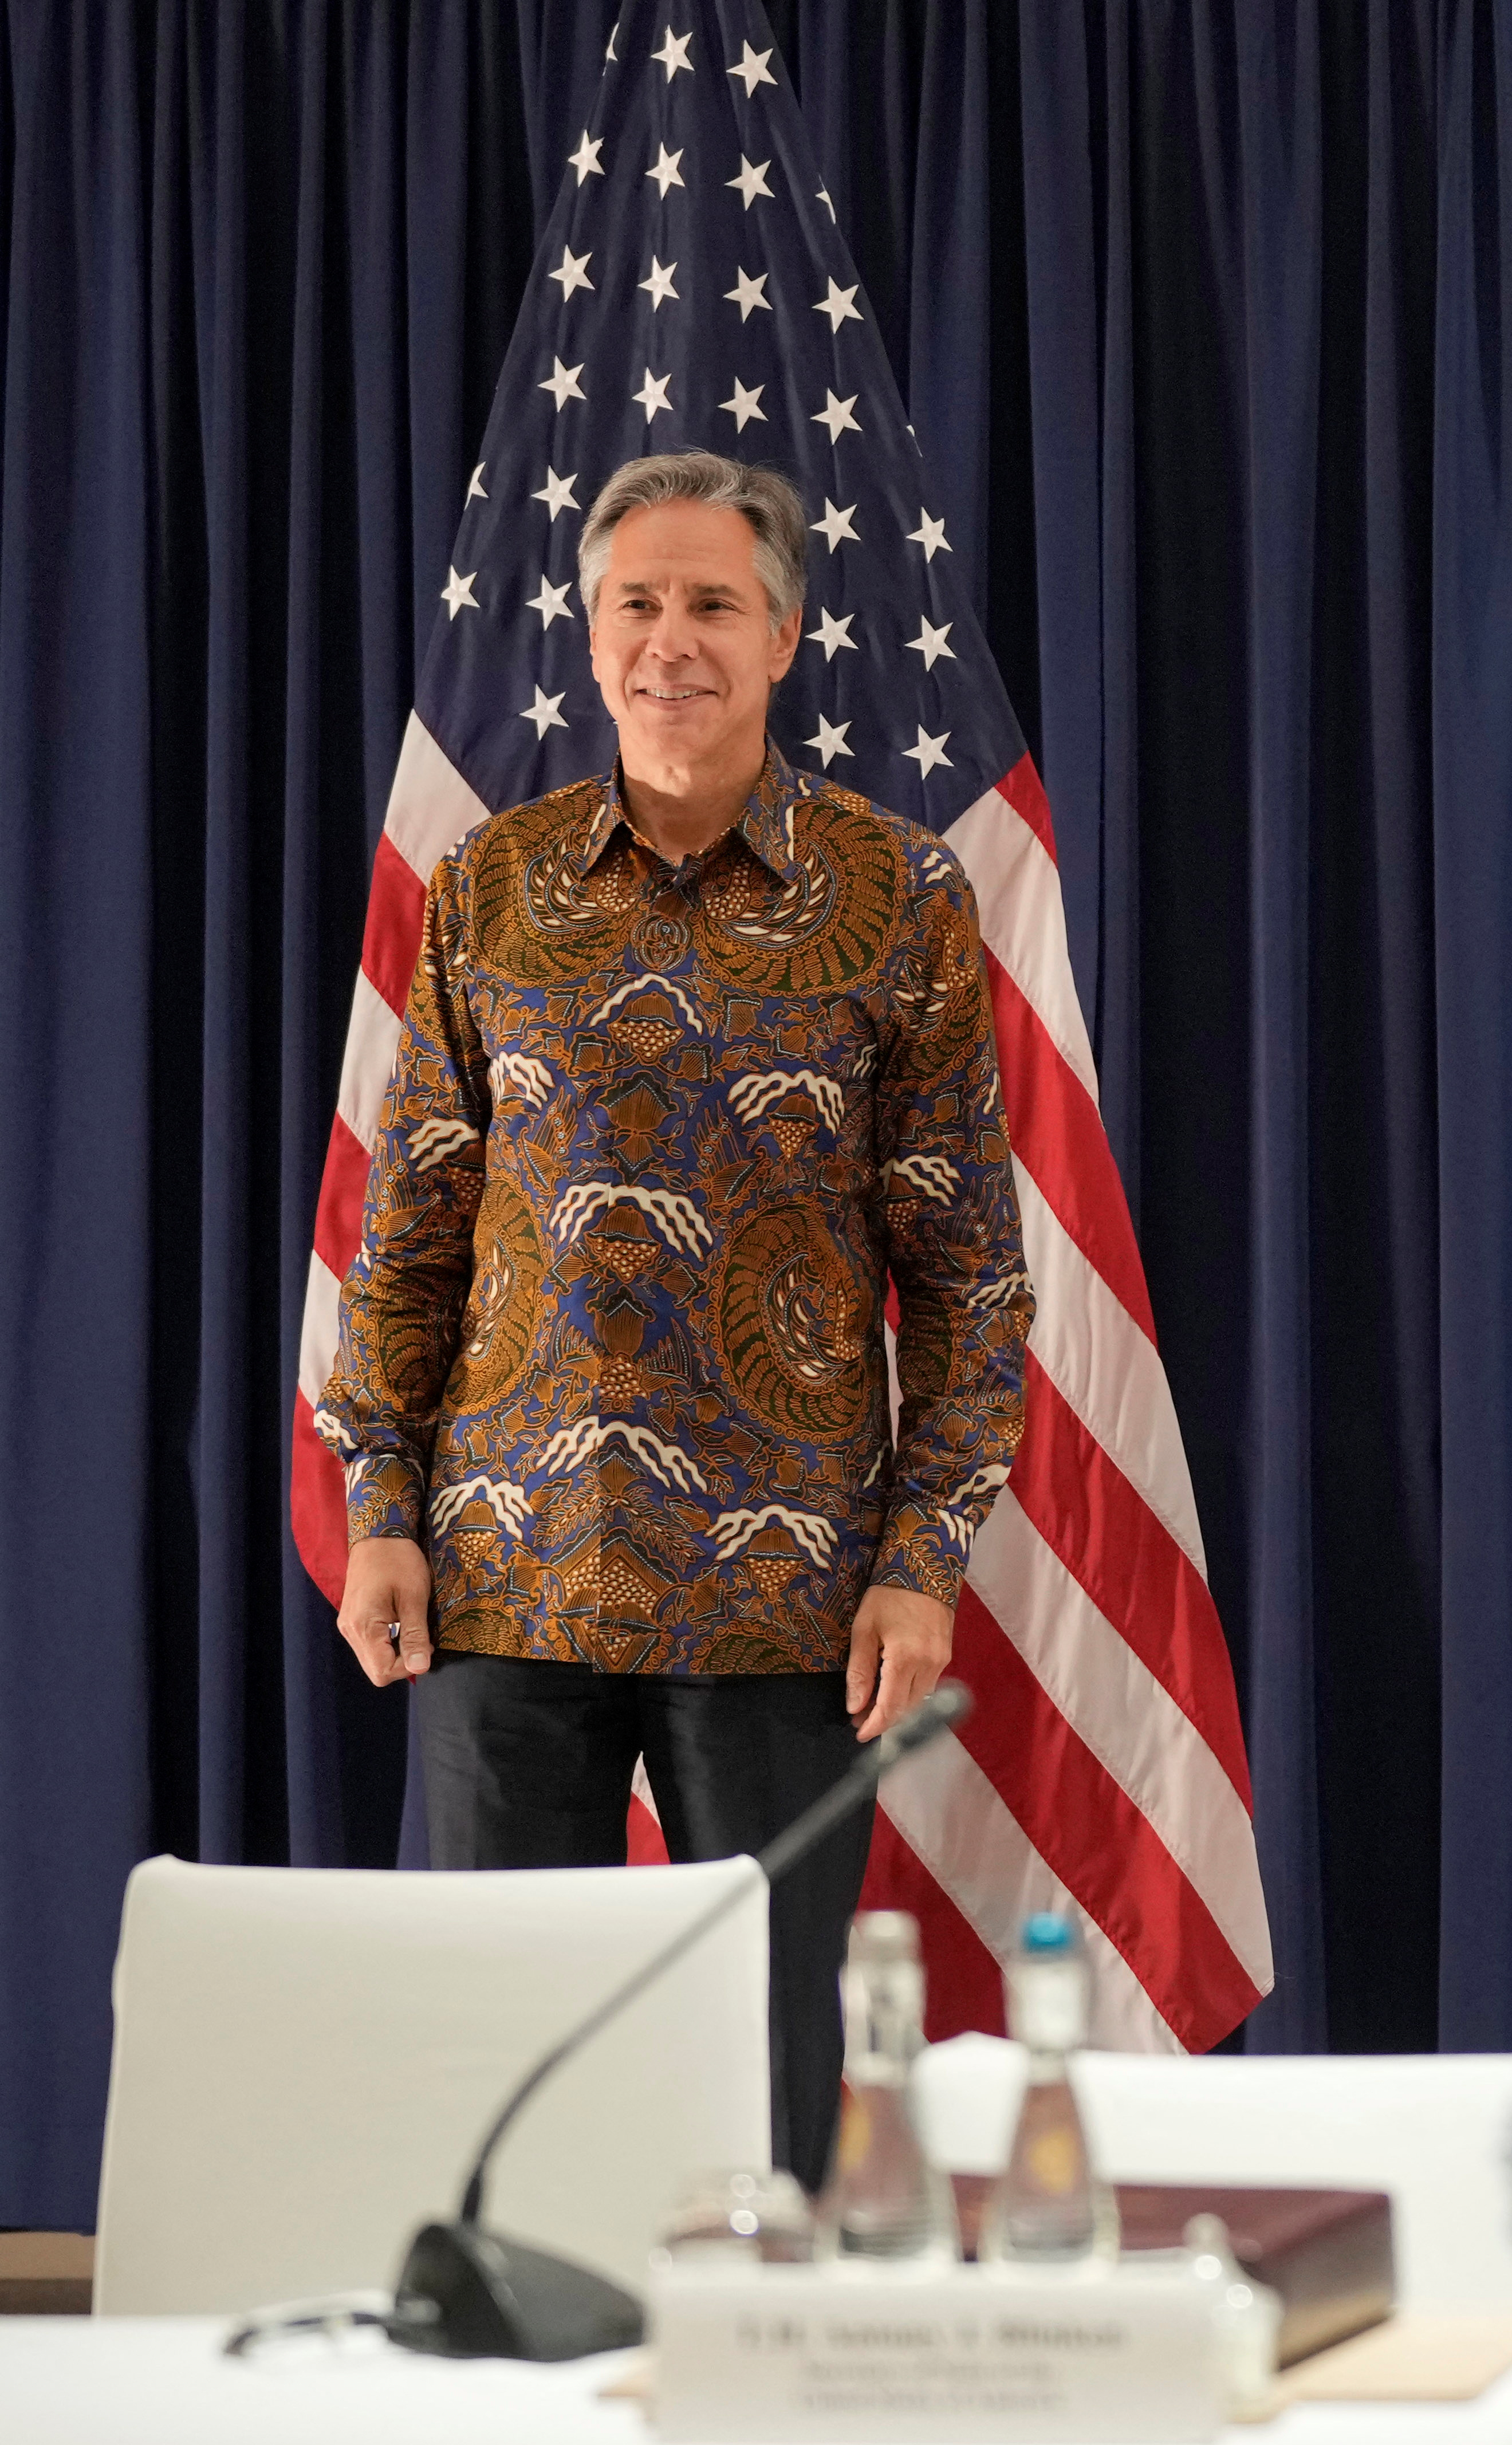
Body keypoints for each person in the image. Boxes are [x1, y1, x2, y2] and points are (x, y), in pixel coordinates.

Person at [318, 448, 1031, 2184]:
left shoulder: (900, 895)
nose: (670, 640)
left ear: (786, 633)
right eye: (637, 601)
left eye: (713, 601)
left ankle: (761, 2414)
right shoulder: (490, 886)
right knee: (508, 2070)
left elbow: (966, 1281)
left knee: (774, 2071)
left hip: (786, 1599)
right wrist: (381, 1507)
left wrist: (922, 1557)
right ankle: (514, 2419)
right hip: (509, 1569)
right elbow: (409, 1233)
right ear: (587, 630)